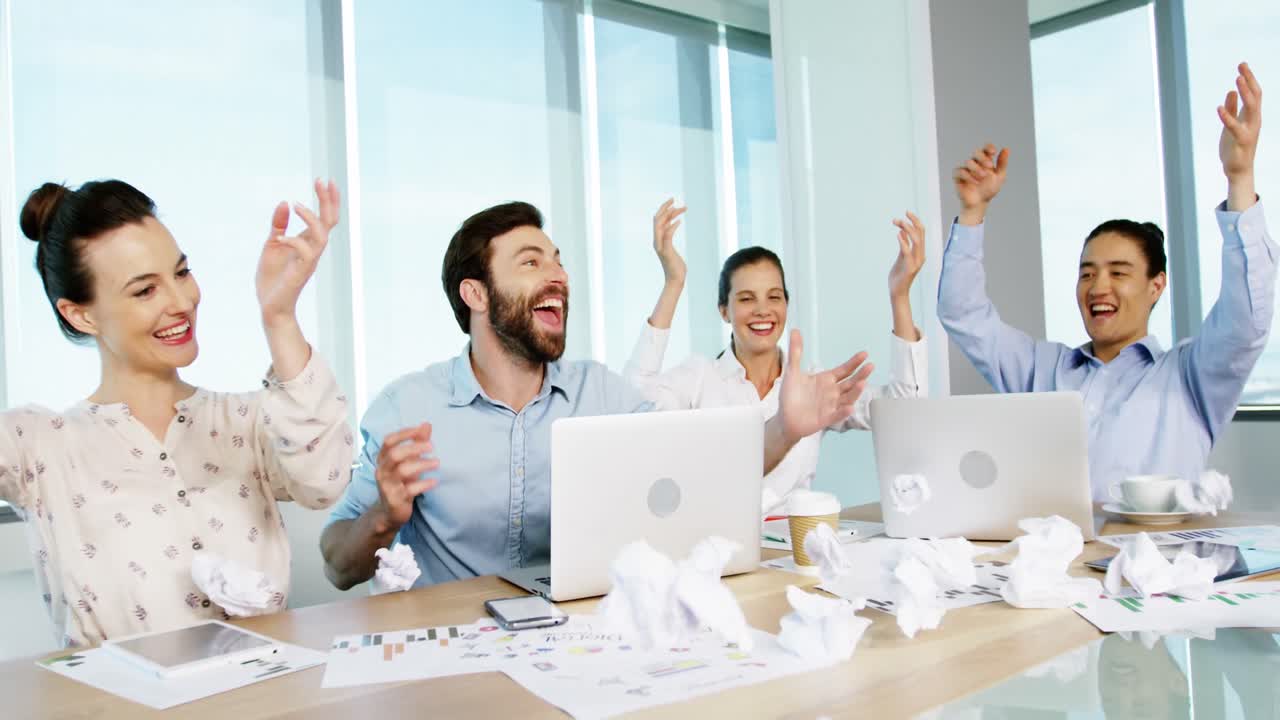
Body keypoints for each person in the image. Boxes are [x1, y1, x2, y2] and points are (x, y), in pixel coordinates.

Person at [320, 201, 875, 590]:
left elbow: (696, 475)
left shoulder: (602, 393)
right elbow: (337, 566)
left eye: (558, 260)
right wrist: (383, 517)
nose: (559, 274)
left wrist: (784, 428)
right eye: (532, 262)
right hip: (453, 665)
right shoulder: (408, 406)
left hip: (576, 646)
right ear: (476, 294)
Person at [0, 178, 353, 646]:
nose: (182, 302)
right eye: (145, 290)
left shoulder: (244, 422)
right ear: (80, 315)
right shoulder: (38, 443)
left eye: (181, 273)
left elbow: (325, 480)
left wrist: (279, 316)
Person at [938, 62, 1275, 500]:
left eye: (1118, 272)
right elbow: (962, 313)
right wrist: (972, 212)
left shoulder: (1190, 376)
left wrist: (1239, 178)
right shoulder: (1043, 372)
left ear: (1157, 285)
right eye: (1087, 273)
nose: (1098, 286)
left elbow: (1246, 320)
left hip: (1156, 563)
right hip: (1060, 561)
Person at [624, 201, 929, 514]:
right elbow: (635, 401)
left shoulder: (810, 384)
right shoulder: (700, 377)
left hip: (791, 550)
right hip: (716, 545)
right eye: (746, 299)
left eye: (774, 297)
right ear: (724, 311)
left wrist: (900, 295)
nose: (762, 310)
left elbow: (905, 407)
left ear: (786, 304)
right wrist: (674, 282)